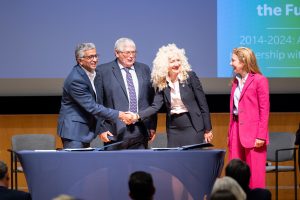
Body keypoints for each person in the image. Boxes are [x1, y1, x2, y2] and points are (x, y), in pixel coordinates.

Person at [132, 43, 213, 147]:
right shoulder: (162, 82)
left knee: (192, 158)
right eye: (172, 61)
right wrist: (137, 115)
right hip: (174, 127)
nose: (176, 64)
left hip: (193, 125)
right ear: (164, 65)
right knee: (175, 159)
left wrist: (208, 129)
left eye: (178, 60)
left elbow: (203, 103)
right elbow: (155, 106)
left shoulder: (190, 76)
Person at [57, 42, 132, 148]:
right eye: (90, 57)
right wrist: (120, 114)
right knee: (75, 163)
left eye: (96, 55)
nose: (95, 59)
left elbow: (99, 102)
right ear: (80, 61)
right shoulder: (76, 79)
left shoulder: (93, 73)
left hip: (84, 130)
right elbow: (92, 107)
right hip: (74, 132)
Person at [95, 38, 157, 149]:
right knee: (115, 166)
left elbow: (151, 99)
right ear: (117, 53)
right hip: (114, 131)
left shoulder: (144, 69)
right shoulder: (103, 71)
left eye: (133, 52)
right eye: (127, 52)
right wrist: (101, 129)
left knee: (139, 166)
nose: (131, 56)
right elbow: (97, 102)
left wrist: (152, 126)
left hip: (141, 129)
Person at [228, 47, 270, 188]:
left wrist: (261, 135)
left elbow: (264, 110)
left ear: (243, 61)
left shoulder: (260, 80)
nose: (230, 63)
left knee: (255, 178)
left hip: (254, 134)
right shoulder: (235, 81)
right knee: (234, 175)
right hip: (236, 130)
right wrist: (230, 133)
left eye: (233, 60)